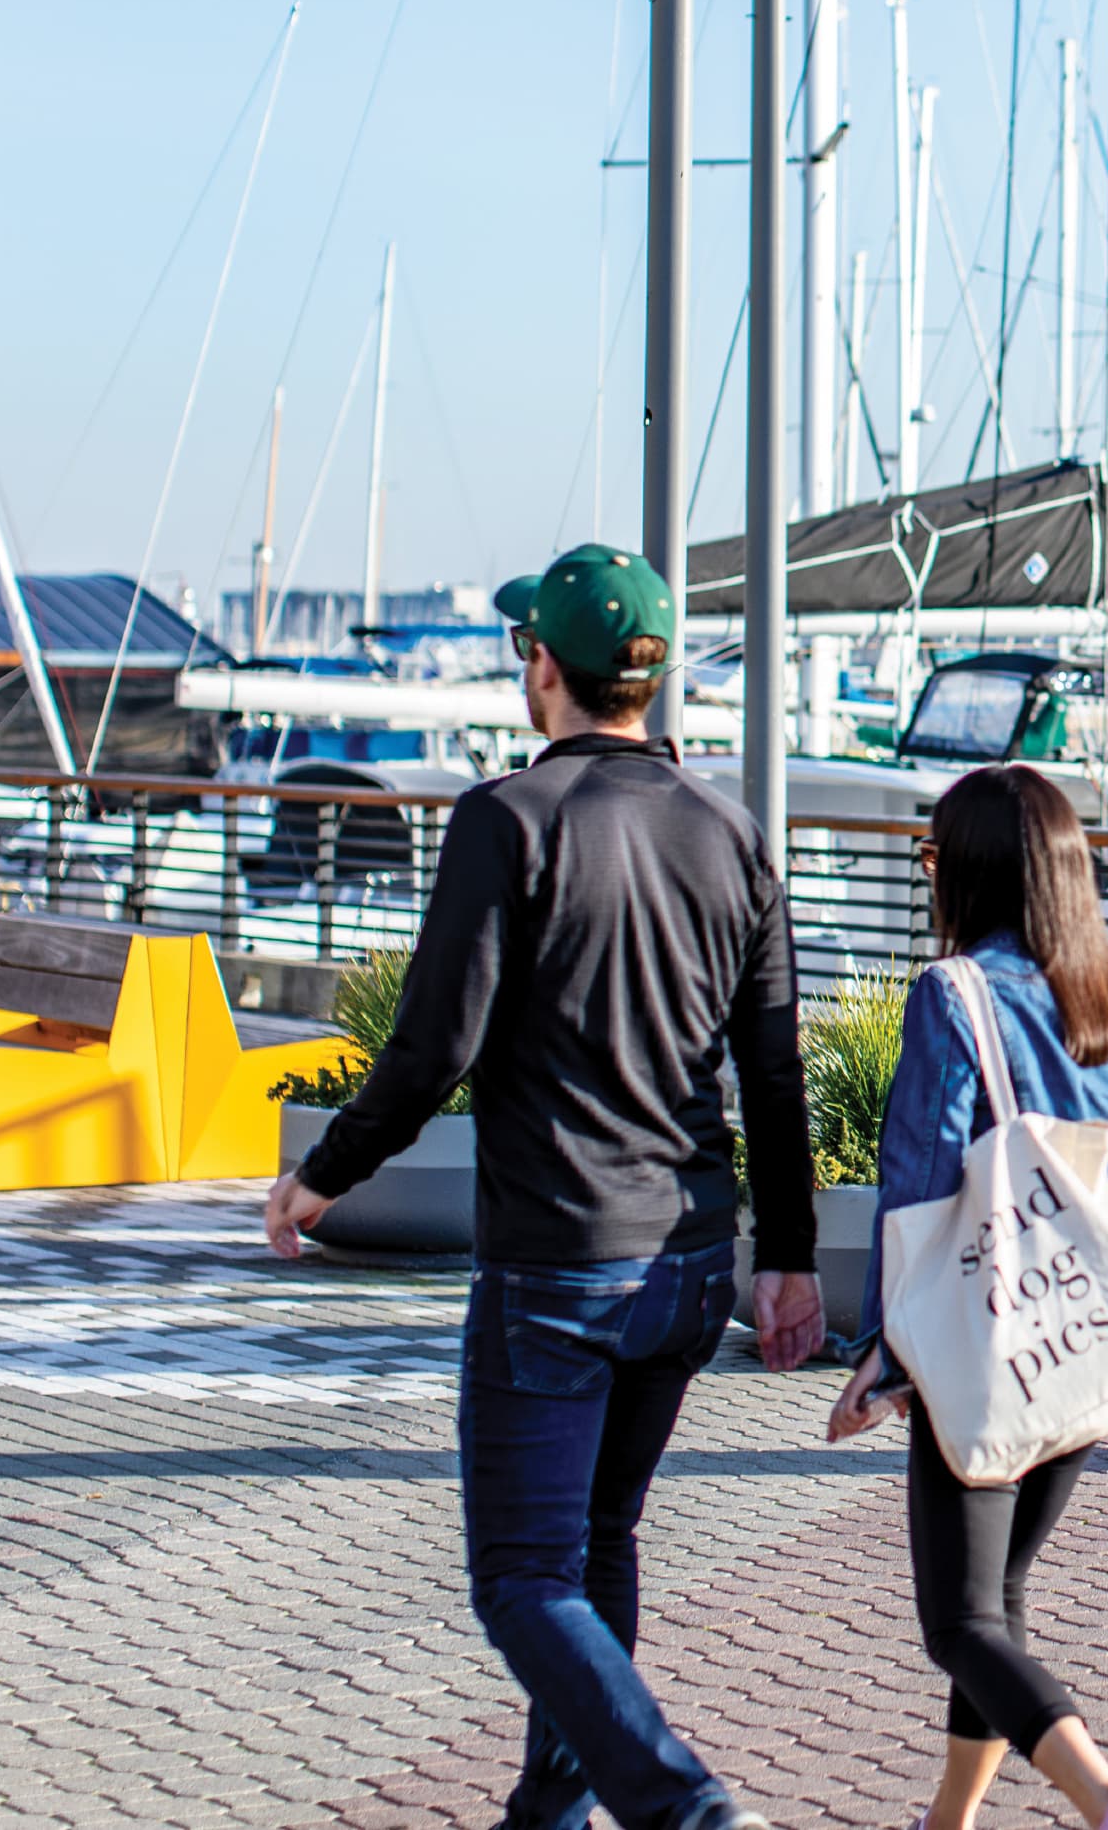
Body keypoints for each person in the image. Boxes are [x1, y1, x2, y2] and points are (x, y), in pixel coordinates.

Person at [265, 544, 817, 1830]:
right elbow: (774, 1072)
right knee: (599, 1542)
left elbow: (432, 1047)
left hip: (560, 1264)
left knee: (521, 1575)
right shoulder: (730, 832)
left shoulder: (505, 818)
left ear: (544, 668)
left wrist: (319, 1176)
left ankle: (684, 1811)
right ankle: (549, 1814)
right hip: (687, 1263)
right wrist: (783, 1257)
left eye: (524, 649)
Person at [827, 764, 1108, 1830]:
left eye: (934, 853)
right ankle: (946, 1821)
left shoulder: (951, 996)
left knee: (957, 1620)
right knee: (996, 1604)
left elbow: (915, 1184)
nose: (928, 869)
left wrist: (884, 1353)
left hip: (980, 1340)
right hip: (1076, 1335)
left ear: (973, 870)